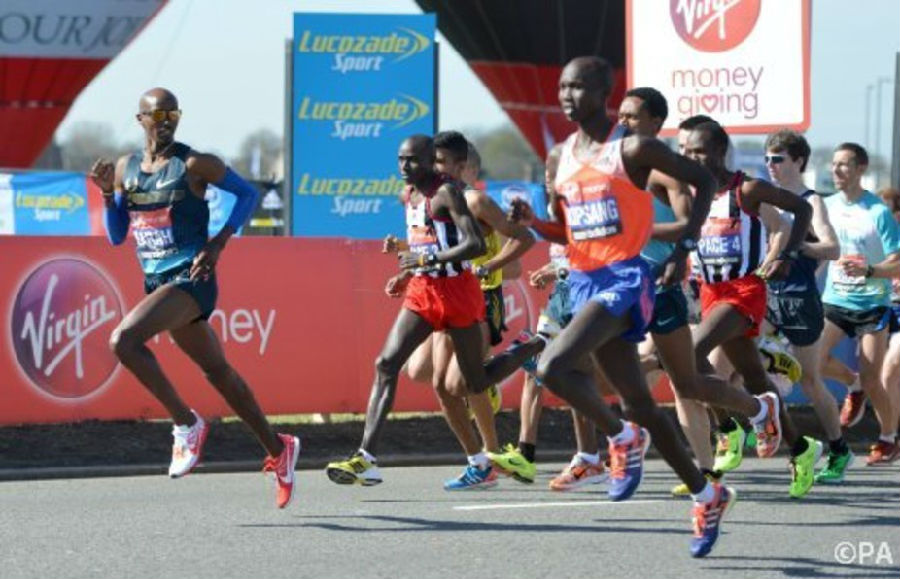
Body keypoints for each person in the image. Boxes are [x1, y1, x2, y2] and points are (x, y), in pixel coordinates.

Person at [514, 57, 735, 558]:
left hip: (625, 278)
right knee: (639, 403)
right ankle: (707, 495)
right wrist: (532, 223)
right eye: (562, 86)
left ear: (603, 94)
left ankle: (620, 437)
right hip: (584, 279)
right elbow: (568, 232)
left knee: (551, 367)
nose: (566, 95)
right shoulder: (561, 155)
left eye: (577, 86)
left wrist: (686, 244)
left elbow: (703, 182)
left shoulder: (633, 148)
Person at [89, 88, 300, 509]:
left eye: (173, 114)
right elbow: (116, 235)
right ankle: (279, 448)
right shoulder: (126, 168)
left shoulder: (195, 164)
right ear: (140, 120)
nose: (165, 122)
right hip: (158, 282)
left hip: (192, 277)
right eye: (157, 115)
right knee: (218, 372)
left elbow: (247, 194)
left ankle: (186, 424)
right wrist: (107, 195)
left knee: (123, 341)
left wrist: (218, 243)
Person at [325, 135, 542, 486]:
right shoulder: (409, 194)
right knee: (387, 364)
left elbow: (474, 244)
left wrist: (428, 260)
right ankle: (366, 459)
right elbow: (426, 239)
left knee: (472, 383)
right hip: (423, 291)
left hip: (459, 293)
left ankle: (529, 347)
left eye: (412, 160)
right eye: (400, 159)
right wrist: (408, 271)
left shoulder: (449, 193)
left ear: (430, 160)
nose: (404, 166)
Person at [682, 120, 824, 498]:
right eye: (687, 152)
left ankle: (728, 427)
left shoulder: (747, 189)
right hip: (711, 292)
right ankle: (801, 448)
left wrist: (787, 255)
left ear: (719, 152)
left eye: (699, 151)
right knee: (756, 380)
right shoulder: (694, 194)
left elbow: (801, 210)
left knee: (690, 352)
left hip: (743, 291)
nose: (691, 158)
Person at [387, 132, 536, 490]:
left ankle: (489, 454)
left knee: (460, 384)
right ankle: (491, 386)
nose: (434, 169)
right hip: (442, 295)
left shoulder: (476, 201)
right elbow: (431, 249)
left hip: (480, 297)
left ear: (465, 168)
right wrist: (406, 271)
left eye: (440, 163)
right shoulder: (429, 198)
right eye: (432, 162)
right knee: (423, 373)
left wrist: (490, 266)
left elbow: (521, 246)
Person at [758, 130, 853, 483]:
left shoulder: (811, 201)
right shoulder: (763, 196)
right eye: (767, 159)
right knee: (738, 361)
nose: (770, 165)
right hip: (766, 294)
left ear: (798, 161)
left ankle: (839, 449)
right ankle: (757, 423)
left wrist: (796, 246)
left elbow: (832, 248)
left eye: (777, 159)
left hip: (800, 298)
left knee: (812, 381)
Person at [819, 144, 900, 464]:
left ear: (861, 168)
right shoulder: (825, 206)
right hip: (835, 301)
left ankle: (888, 438)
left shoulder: (878, 212)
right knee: (812, 362)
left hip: (872, 305)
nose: (836, 170)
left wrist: (869, 271)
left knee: (873, 378)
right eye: (834, 164)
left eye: (844, 164)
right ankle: (851, 384)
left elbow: (897, 263)